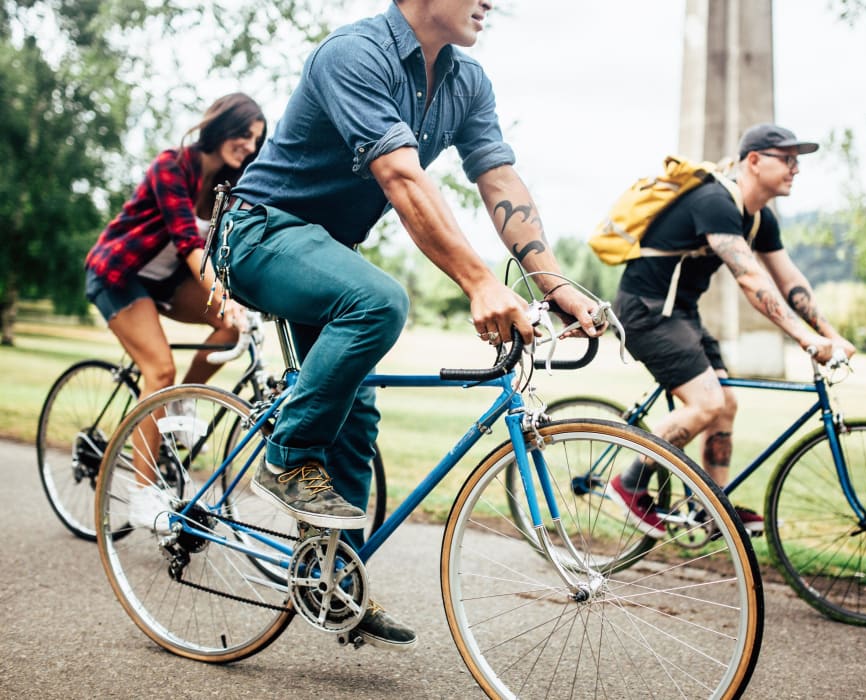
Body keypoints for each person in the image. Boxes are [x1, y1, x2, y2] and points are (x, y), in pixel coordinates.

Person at [213, 0, 602, 651]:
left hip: (322, 253)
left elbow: (498, 176)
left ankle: (331, 580)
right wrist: (478, 281)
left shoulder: (465, 81)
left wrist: (554, 282)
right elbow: (400, 174)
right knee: (381, 301)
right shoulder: (354, 54)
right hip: (256, 234)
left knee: (358, 414)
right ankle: (285, 458)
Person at [608, 123, 857, 538]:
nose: (796, 168)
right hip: (646, 312)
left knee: (726, 405)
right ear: (754, 161)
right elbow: (751, 279)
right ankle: (629, 482)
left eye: (799, 161)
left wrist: (829, 333)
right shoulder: (715, 201)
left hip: (681, 313)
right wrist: (806, 340)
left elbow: (788, 278)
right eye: (788, 159)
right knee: (705, 404)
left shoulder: (759, 219)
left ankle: (711, 508)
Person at [84, 93, 267, 530]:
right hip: (118, 275)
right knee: (158, 369)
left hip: (167, 284)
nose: (249, 146)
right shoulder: (172, 165)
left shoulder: (229, 186)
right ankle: (143, 497)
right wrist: (223, 296)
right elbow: (188, 243)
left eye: (256, 141)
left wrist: (246, 300)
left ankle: (181, 400)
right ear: (222, 125)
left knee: (228, 327)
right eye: (244, 134)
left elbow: (228, 250)